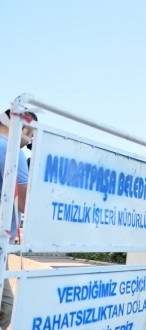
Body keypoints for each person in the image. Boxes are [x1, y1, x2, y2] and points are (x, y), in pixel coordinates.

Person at [0, 109, 38, 328]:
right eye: (31, 134)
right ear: (23, 128)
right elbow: (24, 203)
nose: (30, 140)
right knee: (6, 309)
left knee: (5, 307)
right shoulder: (12, 152)